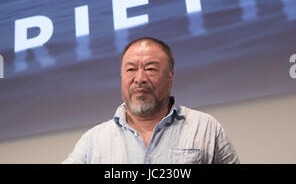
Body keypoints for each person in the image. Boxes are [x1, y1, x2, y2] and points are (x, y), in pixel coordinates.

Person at [62, 37, 240, 164]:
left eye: (151, 69)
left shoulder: (205, 127)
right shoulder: (93, 140)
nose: (140, 78)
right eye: (131, 70)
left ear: (170, 76)